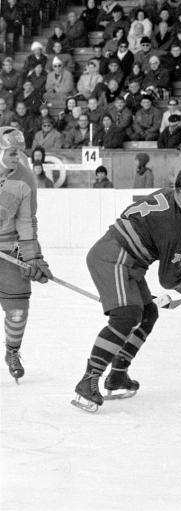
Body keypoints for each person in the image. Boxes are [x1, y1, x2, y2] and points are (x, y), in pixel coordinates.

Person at [72, 164, 181, 412]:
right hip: (113, 258)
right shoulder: (176, 224)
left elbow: (168, 253)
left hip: (127, 261)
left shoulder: (169, 196)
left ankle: (118, 375)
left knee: (148, 313)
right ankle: (88, 380)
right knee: (126, 316)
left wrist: (179, 261)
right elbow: (169, 277)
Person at [0, 128, 53, 381]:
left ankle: (12, 351)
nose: (17, 156)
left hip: (10, 250)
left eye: (19, 152)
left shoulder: (25, 179)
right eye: (12, 152)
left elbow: (26, 221)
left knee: (18, 310)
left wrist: (32, 257)